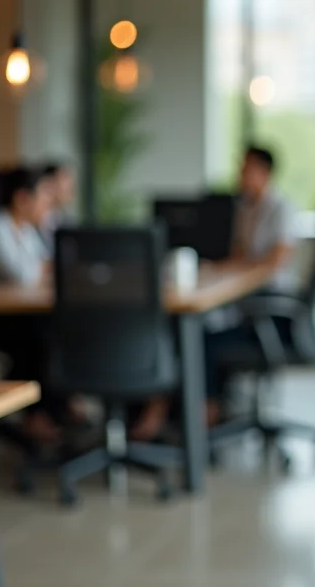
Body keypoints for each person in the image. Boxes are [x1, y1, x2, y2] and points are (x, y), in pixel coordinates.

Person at [129, 145, 300, 440]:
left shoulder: (281, 208)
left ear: (263, 172)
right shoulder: (246, 208)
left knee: (200, 340)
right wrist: (218, 269)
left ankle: (204, 415)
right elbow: (240, 254)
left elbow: (275, 262)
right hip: (246, 305)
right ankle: (177, 410)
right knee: (189, 329)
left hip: (271, 310)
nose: (240, 174)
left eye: (245, 168)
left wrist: (234, 270)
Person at [0, 165, 63, 443]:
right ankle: (37, 415)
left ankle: (51, 409)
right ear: (22, 199)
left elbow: (46, 266)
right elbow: (23, 274)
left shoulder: (26, 230)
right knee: (41, 336)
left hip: (17, 316)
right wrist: (43, 267)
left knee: (50, 330)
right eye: (43, 197)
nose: (48, 204)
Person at [36, 160, 78, 256]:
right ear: (49, 183)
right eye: (65, 178)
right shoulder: (33, 219)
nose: (71, 188)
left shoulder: (68, 221)